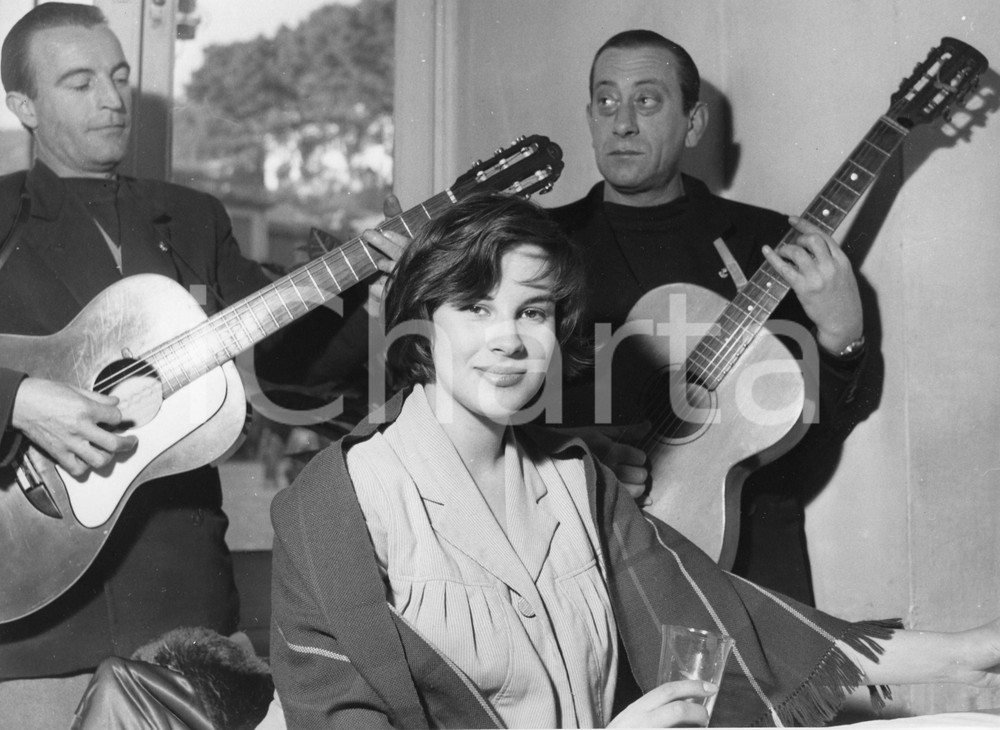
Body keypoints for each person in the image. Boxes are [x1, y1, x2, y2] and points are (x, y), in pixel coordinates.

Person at [269, 191, 1000, 729]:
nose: (509, 340)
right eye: (476, 307)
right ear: (422, 326)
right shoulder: (334, 509)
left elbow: (733, 617)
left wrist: (963, 654)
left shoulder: (576, 480)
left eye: (533, 311)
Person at [0, 3, 401, 724]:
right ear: (22, 104)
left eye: (119, 77)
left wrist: (372, 294)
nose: (113, 99)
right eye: (80, 81)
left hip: (181, 614)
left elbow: (291, 370)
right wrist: (19, 399)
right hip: (32, 614)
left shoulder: (192, 218)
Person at [547, 29, 877, 604]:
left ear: (693, 123)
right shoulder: (539, 244)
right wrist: (573, 449)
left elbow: (815, 425)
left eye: (646, 100)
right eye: (606, 101)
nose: (621, 122)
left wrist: (843, 338)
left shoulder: (768, 244)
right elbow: (486, 404)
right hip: (573, 550)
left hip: (737, 556)